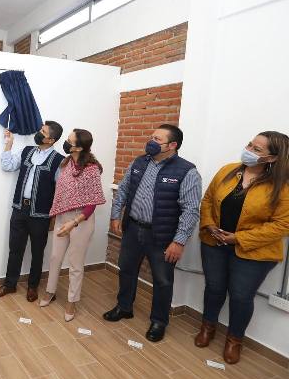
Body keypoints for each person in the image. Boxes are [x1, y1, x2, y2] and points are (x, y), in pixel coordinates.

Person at [194, 131, 289, 364]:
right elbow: (208, 200)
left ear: (272, 158)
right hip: (214, 243)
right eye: (249, 144)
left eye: (257, 149)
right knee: (214, 288)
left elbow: (282, 225)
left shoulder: (282, 186)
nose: (248, 150)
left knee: (241, 296)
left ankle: (234, 340)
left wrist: (238, 238)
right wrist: (209, 225)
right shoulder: (228, 170)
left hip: (253, 252)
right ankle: (208, 327)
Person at [103, 124, 202, 342]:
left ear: (172, 145)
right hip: (132, 228)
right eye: (152, 137)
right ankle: (124, 307)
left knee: (162, 280)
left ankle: (159, 321)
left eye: (157, 139)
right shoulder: (139, 162)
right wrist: (115, 216)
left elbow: (191, 210)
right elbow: (123, 189)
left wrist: (179, 241)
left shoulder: (187, 171)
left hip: (162, 236)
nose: (151, 142)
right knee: (126, 270)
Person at [0, 121, 64, 302]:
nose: (39, 133)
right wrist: (9, 144)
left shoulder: (59, 160)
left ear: (51, 140)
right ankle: (9, 284)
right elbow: (8, 166)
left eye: (43, 132)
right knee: (15, 249)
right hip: (19, 209)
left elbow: (60, 191)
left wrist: (54, 217)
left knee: (38, 252)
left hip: (41, 215)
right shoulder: (27, 151)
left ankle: (33, 286)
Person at [39, 129, 106, 321]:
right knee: (55, 257)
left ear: (79, 147)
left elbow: (92, 203)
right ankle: (50, 291)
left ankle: (72, 301)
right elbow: (60, 193)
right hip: (63, 216)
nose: (66, 142)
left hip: (81, 219)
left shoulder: (92, 169)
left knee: (75, 263)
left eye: (70, 140)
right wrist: (56, 217)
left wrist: (74, 223)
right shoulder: (66, 163)